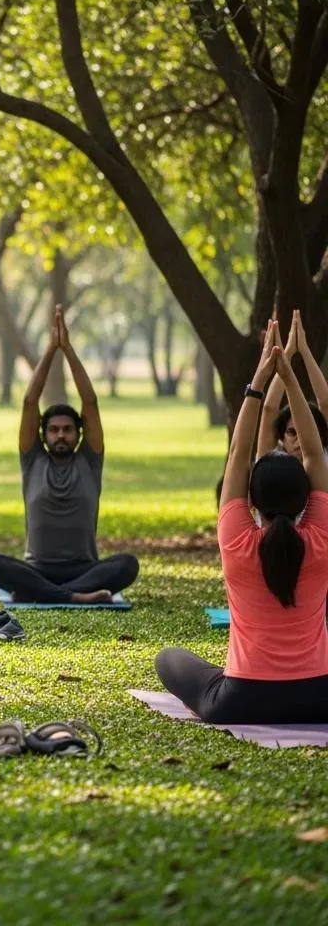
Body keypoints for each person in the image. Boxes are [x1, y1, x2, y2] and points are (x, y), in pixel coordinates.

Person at [156, 319, 328, 723]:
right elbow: (314, 453)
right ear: (306, 496)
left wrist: (261, 379)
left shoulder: (237, 541)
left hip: (240, 701)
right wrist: (291, 377)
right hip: (319, 696)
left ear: (251, 500)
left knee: (168, 657)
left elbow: (237, 455)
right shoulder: (321, 538)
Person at [0, 305, 139, 604]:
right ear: (43, 435)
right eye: (53, 430)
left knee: (127, 564)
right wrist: (50, 351)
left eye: (68, 429)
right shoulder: (33, 460)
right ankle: (75, 596)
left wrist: (67, 349)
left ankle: (49, 593)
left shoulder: (89, 460)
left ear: (79, 434)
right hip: (37, 568)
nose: (60, 435)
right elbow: (30, 402)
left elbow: (89, 402)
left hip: (85, 568)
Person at [257, 308, 328, 459]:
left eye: (310, 430)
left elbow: (325, 403)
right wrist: (287, 352)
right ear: (281, 439)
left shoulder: (325, 461)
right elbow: (269, 408)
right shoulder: (272, 466)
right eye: (292, 432)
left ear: (322, 437)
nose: (301, 439)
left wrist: (304, 350)